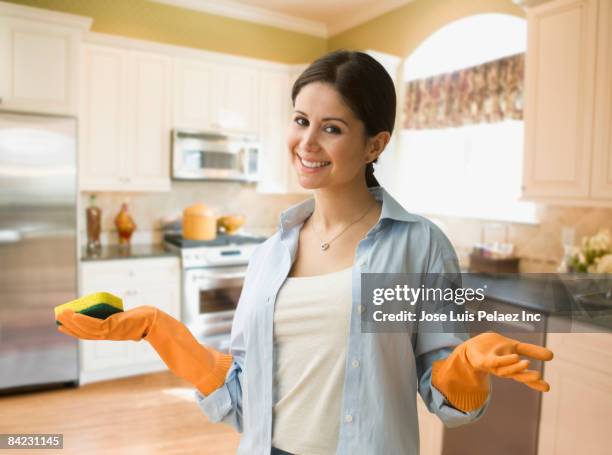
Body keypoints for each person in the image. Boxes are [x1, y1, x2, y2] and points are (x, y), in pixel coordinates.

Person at [56, 50, 554, 455]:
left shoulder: (416, 246)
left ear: (374, 145)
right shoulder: (270, 253)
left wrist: (465, 363)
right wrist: (154, 328)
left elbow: (442, 396)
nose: (307, 142)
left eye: (332, 128)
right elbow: (240, 395)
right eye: (301, 120)